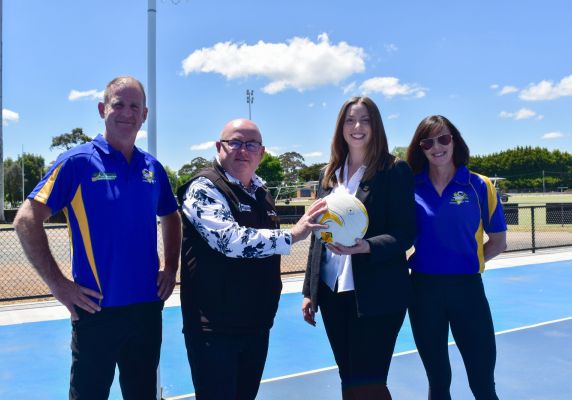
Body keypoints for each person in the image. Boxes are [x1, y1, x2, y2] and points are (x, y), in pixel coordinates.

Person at [13, 76, 182, 400]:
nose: (127, 113)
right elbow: (25, 220)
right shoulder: (76, 162)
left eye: (135, 106)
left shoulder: (152, 167)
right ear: (103, 109)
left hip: (146, 309)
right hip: (95, 309)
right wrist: (59, 285)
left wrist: (170, 267)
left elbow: (170, 215)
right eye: (119, 104)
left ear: (145, 114)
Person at [178, 118, 327, 400]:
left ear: (261, 151)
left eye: (251, 144)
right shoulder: (203, 188)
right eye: (234, 142)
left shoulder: (262, 193)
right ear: (219, 147)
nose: (242, 150)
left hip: (256, 324)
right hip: (215, 329)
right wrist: (292, 235)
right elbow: (229, 241)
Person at [301, 96, 416, 400]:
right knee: (349, 377)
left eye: (365, 120)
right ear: (341, 127)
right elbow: (318, 235)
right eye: (350, 120)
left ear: (375, 126)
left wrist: (368, 247)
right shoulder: (329, 175)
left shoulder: (394, 170)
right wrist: (309, 290)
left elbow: (406, 233)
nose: (357, 127)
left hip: (377, 295)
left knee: (370, 382)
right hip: (332, 293)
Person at [405, 115, 507, 400]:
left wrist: (469, 263)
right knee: (438, 383)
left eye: (444, 138)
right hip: (423, 293)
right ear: (420, 148)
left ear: (455, 141)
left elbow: (498, 241)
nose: (436, 147)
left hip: (468, 292)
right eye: (428, 142)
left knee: (483, 384)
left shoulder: (479, 185)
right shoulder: (410, 187)